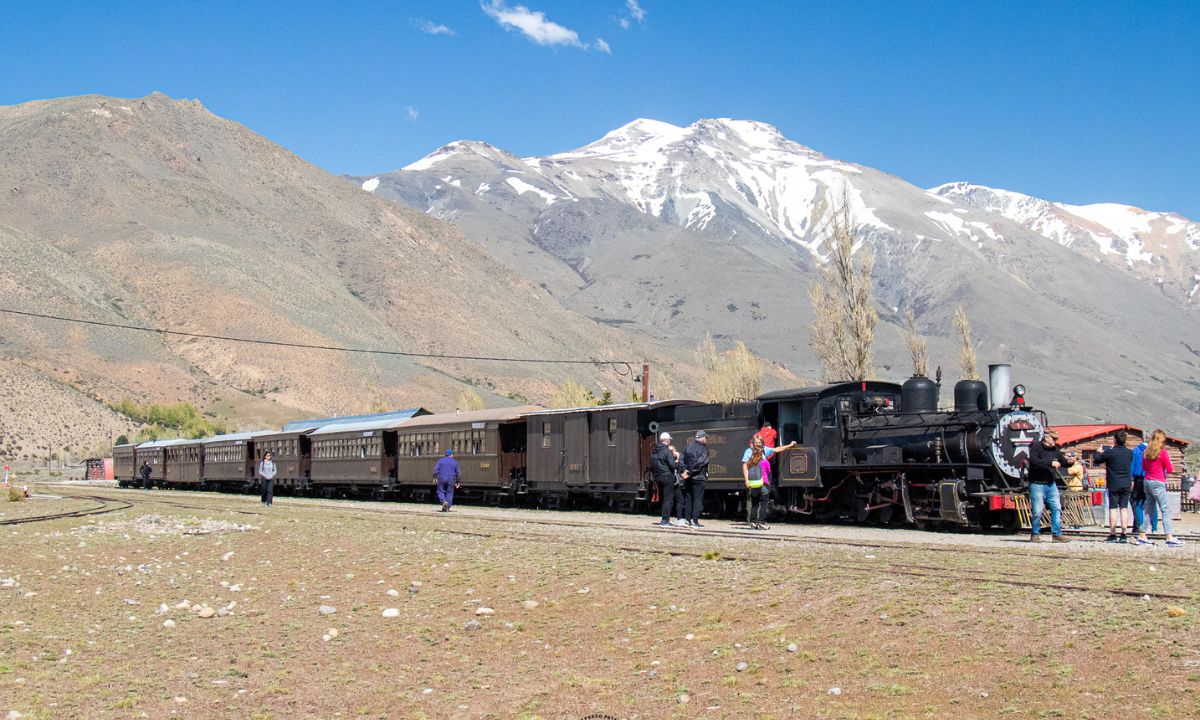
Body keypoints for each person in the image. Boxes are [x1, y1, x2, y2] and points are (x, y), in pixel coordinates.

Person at [741, 435, 797, 530]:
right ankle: (762, 522)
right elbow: (745, 466)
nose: (758, 444)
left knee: (755, 502)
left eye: (759, 442)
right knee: (763, 503)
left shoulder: (760, 450)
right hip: (763, 481)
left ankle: (753, 522)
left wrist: (789, 446)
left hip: (754, 481)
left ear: (762, 443)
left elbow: (777, 449)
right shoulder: (752, 452)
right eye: (756, 442)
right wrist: (746, 479)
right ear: (753, 443)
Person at [1136, 429, 1181, 547]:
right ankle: (1169, 536)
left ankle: (1142, 535)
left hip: (1147, 481)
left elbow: (1144, 468)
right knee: (1165, 509)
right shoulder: (1163, 452)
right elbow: (1170, 469)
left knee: (1148, 509)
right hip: (1158, 482)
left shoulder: (1146, 452)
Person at [1026, 428, 1070, 543]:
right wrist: (1050, 463)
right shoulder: (1036, 447)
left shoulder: (1055, 449)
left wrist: (1071, 462)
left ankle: (1056, 534)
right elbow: (1034, 462)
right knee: (1037, 511)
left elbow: (1063, 462)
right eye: (1053, 438)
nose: (1055, 441)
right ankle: (1035, 534)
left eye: (1056, 439)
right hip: (1037, 484)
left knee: (1056, 508)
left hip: (1051, 484)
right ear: (1046, 437)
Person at [1093, 430, 1133, 542]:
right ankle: (1124, 534)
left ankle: (1113, 534)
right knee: (1124, 508)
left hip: (1113, 483)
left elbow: (1097, 460)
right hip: (1126, 483)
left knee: (1113, 509)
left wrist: (1099, 451)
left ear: (1114, 440)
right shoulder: (1129, 453)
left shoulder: (1110, 452)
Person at [651, 432, 683, 526]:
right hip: (667, 476)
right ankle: (665, 520)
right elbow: (672, 465)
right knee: (668, 499)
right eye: (669, 440)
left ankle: (665, 518)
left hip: (658, 477)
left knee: (664, 498)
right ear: (667, 440)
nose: (670, 441)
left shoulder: (654, 451)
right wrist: (677, 459)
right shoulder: (666, 451)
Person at [680, 430, 710, 528]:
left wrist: (684, 471)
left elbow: (681, 459)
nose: (706, 440)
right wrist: (689, 472)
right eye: (706, 438)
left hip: (688, 477)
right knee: (697, 499)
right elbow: (701, 463)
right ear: (702, 438)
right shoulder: (703, 449)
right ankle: (695, 520)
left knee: (688, 498)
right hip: (699, 477)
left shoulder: (687, 447)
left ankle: (688, 519)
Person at [1131, 437, 1158, 533]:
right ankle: (1154, 527)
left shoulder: (1136, 450)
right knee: (1152, 503)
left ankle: (1141, 527)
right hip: (1152, 478)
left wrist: (1131, 478)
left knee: (1138, 502)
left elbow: (1132, 465)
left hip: (1139, 479)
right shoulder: (1155, 450)